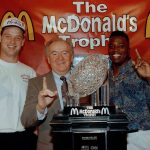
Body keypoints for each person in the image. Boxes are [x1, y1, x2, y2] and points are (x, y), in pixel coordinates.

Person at [21, 38, 74, 150]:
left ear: (72, 57)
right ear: (48, 59)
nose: (60, 58)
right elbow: (26, 120)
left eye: (65, 53)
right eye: (54, 54)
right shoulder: (36, 83)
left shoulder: (85, 82)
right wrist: (40, 107)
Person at [108, 30, 150, 150]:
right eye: (111, 46)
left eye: (121, 46)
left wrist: (149, 77)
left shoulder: (140, 70)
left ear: (128, 49)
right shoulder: (105, 74)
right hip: (114, 136)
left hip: (140, 136)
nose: (115, 50)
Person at [0, 17, 37, 150]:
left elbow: (34, 108)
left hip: (24, 138)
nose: (12, 41)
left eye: (17, 37)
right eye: (7, 36)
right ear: (0, 38)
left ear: (22, 42)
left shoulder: (30, 72)